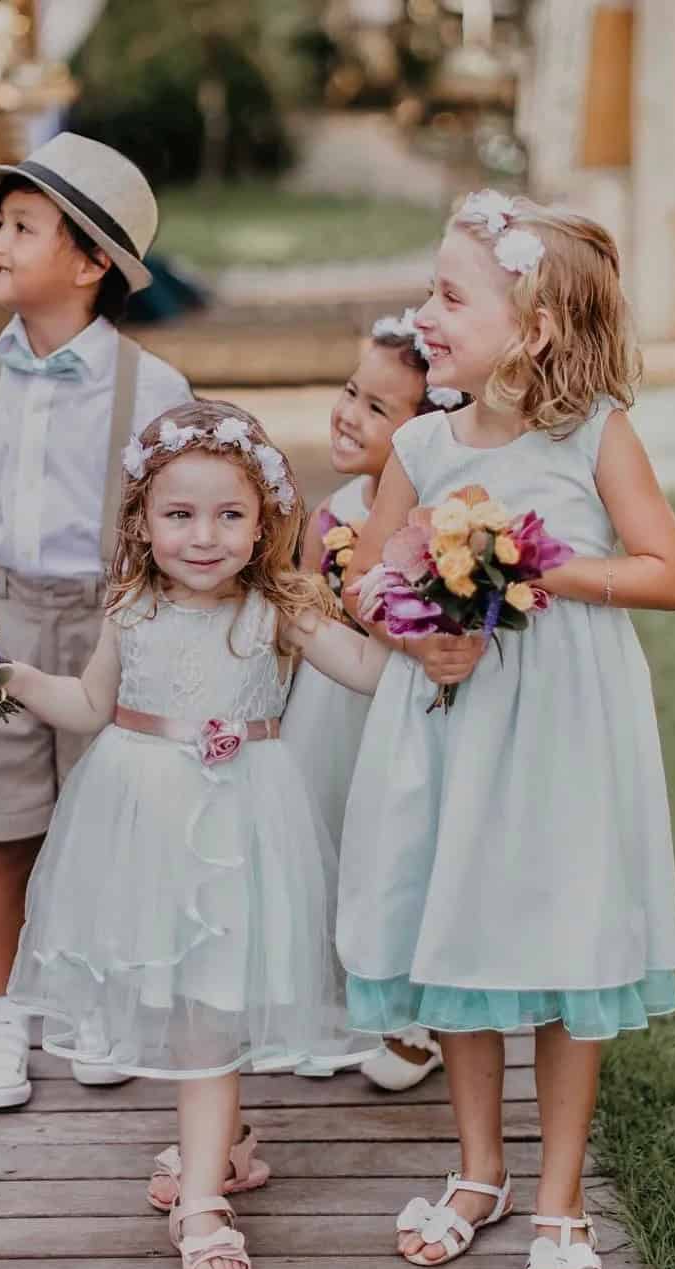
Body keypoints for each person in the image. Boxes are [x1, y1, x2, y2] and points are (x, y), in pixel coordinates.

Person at [339, 191, 675, 1269]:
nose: (426, 313)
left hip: (561, 733)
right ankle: (480, 1170)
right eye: (428, 290)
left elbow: (666, 573)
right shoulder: (423, 442)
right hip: (451, 726)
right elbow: (365, 580)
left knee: (560, 937)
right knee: (455, 926)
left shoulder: (593, 435)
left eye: (451, 295)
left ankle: (560, 1194)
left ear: (531, 327)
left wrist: (529, 568)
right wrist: (418, 627)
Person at [0, 399, 386, 1269]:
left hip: (244, 827)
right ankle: (225, 1145)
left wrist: (416, 610)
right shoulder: (131, 608)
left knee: (211, 1006)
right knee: (187, 998)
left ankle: (202, 1199)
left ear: (265, 519)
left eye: (230, 515)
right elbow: (86, 707)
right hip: (144, 824)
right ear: (142, 521)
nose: (205, 536)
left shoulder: (281, 607)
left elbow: (369, 672)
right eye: (180, 515)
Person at [0, 133, 191, 1107]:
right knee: (4, 821)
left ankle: (97, 1001)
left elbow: (181, 526)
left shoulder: (151, 390)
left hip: (116, 625)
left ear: (89, 263)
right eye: (0, 222)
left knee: (105, 820)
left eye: (23, 226)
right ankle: (3, 1019)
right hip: (8, 621)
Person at [283, 310, 461, 1090]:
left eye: (378, 408)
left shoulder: (430, 524)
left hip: (392, 709)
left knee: (395, 852)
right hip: (325, 707)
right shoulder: (333, 512)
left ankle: (415, 1017)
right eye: (353, 391)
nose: (350, 414)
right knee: (319, 837)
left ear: (425, 433)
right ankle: (332, 1006)